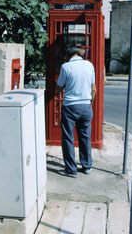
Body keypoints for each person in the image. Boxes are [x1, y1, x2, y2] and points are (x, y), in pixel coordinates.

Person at [55, 44, 96, 178]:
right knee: (85, 137)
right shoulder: (89, 65)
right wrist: (89, 105)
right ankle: (87, 166)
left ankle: (71, 169)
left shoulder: (65, 67)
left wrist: (57, 92)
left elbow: (59, 88)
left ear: (67, 55)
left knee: (68, 138)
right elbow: (94, 89)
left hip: (70, 107)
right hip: (86, 106)